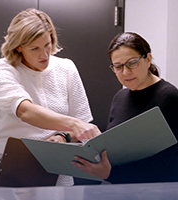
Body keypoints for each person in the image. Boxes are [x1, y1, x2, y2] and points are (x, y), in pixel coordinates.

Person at [0, 8, 101, 186]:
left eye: (47, 45)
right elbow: (25, 111)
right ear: (18, 47)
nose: (45, 54)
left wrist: (64, 136)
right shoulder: (1, 69)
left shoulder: (66, 68)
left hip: (57, 169)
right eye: (35, 48)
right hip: (12, 170)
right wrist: (73, 124)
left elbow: (82, 124)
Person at [73, 32, 178, 184]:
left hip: (158, 190)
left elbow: (162, 162)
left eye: (132, 63)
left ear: (148, 59)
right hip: (121, 187)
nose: (126, 72)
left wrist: (110, 173)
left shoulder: (169, 96)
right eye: (118, 66)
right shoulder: (120, 97)